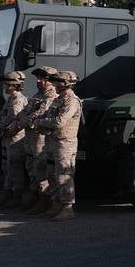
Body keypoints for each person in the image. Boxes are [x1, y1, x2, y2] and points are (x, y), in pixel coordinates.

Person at [6, 66, 58, 212]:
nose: (39, 81)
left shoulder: (52, 96)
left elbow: (39, 114)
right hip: (30, 137)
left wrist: (19, 125)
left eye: (43, 79)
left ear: (52, 81)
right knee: (31, 168)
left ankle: (44, 200)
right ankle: (34, 197)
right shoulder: (38, 95)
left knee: (41, 169)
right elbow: (25, 111)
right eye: (38, 78)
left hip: (40, 138)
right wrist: (17, 121)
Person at [34, 70, 82, 221]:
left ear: (65, 83)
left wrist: (39, 122)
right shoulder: (58, 99)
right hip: (52, 141)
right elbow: (47, 116)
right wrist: (41, 122)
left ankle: (67, 208)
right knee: (51, 174)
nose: (53, 83)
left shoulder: (71, 100)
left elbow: (59, 122)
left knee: (63, 175)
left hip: (64, 143)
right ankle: (56, 205)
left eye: (56, 81)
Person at [0, 71, 29, 208]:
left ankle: (16, 196)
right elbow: (1, 115)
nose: (5, 86)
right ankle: (8, 194)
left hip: (16, 138)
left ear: (13, 85)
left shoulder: (18, 99)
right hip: (7, 137)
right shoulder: (10, 99)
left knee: (14, 167)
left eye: (6, 84)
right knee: (6, 167)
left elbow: (11, 118)